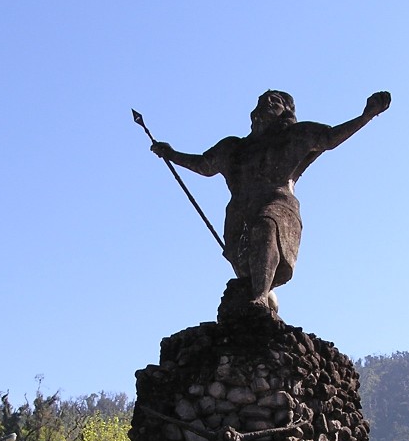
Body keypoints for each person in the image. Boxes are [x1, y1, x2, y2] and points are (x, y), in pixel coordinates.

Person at [151, 90, 391, 313]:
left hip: (278, 204)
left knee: (265, 226)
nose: (266, 104)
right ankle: (258, 295)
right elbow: (204, 165)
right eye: (261, 102)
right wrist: (171, 154)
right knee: (245, 265)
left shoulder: (295, 136)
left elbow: (329, 138)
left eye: (274, 101)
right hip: (239, 211)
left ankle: (261, 295)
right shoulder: (234, 147)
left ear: (286, 111)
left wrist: (366, 116)